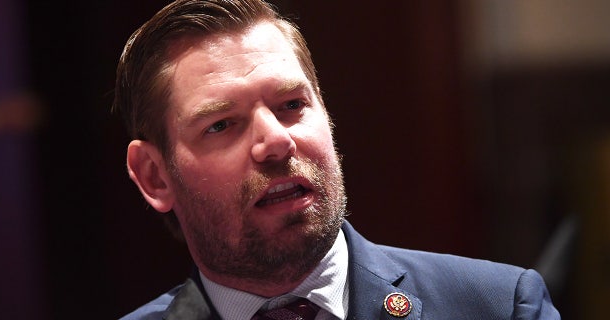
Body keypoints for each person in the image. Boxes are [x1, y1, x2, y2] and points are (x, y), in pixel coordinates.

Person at [113, 0, 560, 319]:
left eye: (292, 105)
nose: (276, 142)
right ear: (155, 177)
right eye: (221, 125)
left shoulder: (501, 306)